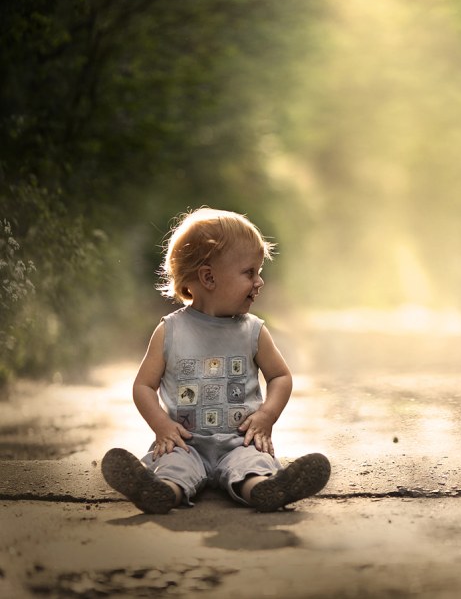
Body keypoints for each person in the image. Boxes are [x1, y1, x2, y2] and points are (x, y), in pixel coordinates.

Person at [101, 208, 331, 514]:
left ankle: (266, 490)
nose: (259, 281)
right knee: (173, 468)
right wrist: (161, 426)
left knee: (251, 466)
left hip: (239, 443)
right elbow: (143, 385)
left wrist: (267, 416)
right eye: (250, 272)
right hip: (185, 443)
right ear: (209, 277)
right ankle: (159, 492)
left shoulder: (253, 331)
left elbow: (281, 377)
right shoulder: (170, 330)